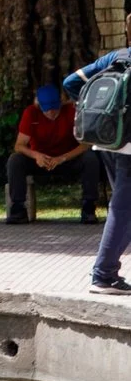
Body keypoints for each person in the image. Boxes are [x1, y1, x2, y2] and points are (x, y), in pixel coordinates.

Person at [67, 49, 131, 292]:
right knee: (122, 210)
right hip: (129, 150)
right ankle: (103, 274)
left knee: (125, 211)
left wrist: (96, 114)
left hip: (107, 142)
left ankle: (106, 272)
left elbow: (71, 82)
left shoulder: (116, 58)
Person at [6, 83, 102, 224]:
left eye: (54, 108)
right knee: (15, 160)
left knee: (90, 159)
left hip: (67, 158)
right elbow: (19, 145)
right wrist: (36, 155)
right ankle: (18, 208)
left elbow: (86, 144)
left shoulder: (71, 111)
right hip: (41, 160)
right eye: (46, 109)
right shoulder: (30, 113)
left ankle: (89, 207)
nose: (51, 112)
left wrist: (62, 158)